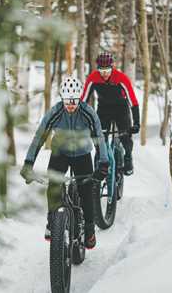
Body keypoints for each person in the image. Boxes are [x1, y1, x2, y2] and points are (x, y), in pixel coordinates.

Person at [20, 76, 109, 249]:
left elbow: (99, 137)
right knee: (54, 186)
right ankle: (51, 220)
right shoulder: (55, 112)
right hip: (60, 152)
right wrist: (28, 163)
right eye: (67, 101)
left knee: (86, 190)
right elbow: (39, 137)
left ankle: (89, 228)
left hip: (83, 154)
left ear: (79, 99)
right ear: (62, 98)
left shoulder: (88, 113)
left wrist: (103, 163)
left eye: (74, 101)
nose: (70, 105)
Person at [81, 52, 139, 175]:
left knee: (125, 137)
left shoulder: (121, 78)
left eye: (107, 70)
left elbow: (133, 101)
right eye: (101, 71)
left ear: (112, 67)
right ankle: (99, 161)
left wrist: (137, 123)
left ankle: (128, 158)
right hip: (104, 109)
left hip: (121, 109)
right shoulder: (93, 78)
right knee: (99, 138)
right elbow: (83, 99)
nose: (104, 74)